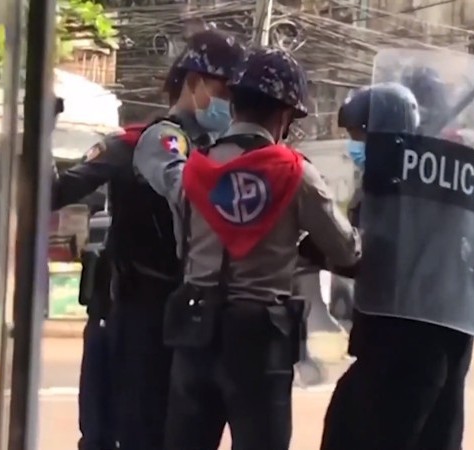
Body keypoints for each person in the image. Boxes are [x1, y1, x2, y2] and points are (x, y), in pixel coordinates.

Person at [133, 46, 361, 450]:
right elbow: (347, 251)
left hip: (194, 329)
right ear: (285, 116)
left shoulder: (194, 169)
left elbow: (183, 241)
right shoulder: (296, 173)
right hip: (260, 342)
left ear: (234, 103)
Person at [51, 29, 244, 450]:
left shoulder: (229, 155)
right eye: (224, 90)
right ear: (194, 81)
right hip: (136, 312)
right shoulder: (131, 144)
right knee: (125, 428)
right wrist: (40, 133)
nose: (231, 102)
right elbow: (53, 193)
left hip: (195, 317)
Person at [319, 76, 474, 450]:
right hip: (436, 334)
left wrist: (328, 250)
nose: (357, 147)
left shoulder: (406, 185)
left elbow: (368, 249)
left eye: (361, 137)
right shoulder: (439, 173)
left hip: (404, 341)